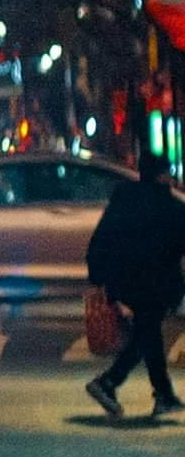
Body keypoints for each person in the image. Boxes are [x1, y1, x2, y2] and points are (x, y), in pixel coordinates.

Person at [85, 148, 185, 418]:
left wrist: (97, 277)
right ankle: (108, 382)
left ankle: (162, 393)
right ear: (163, 176)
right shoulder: (170, 207)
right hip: (155, 284)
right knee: (146, 335)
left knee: (147, 334)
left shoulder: (124, 199)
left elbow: (101, 238)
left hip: (125, 281)